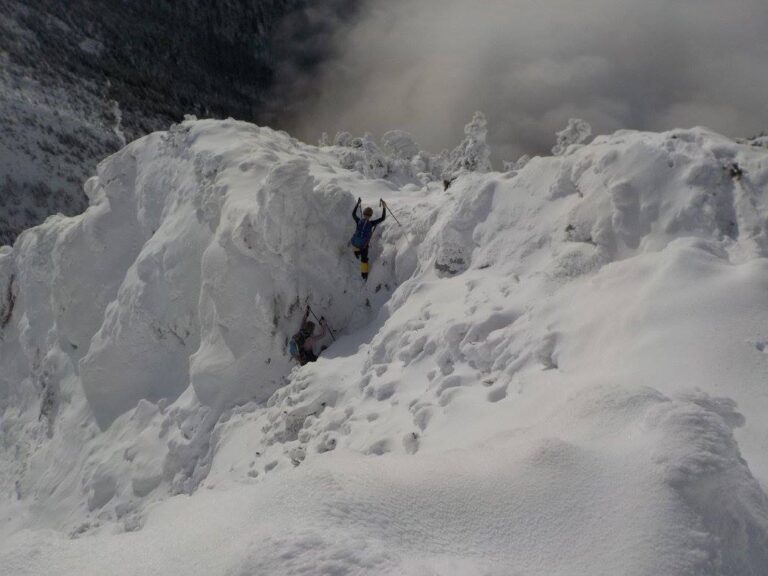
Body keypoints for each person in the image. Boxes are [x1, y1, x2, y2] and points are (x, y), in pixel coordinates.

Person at [350, 197, 386, 280]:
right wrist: (384, 207)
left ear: (364, 213)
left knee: (356, 245)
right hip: (363, 246)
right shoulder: (371, 223)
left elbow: (353, 214)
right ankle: (364, 275)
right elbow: (382, 218)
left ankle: (356, 253)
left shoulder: (358, 220)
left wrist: (357, 204)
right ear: (370, 216)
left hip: (355, 243)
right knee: (364, 259)